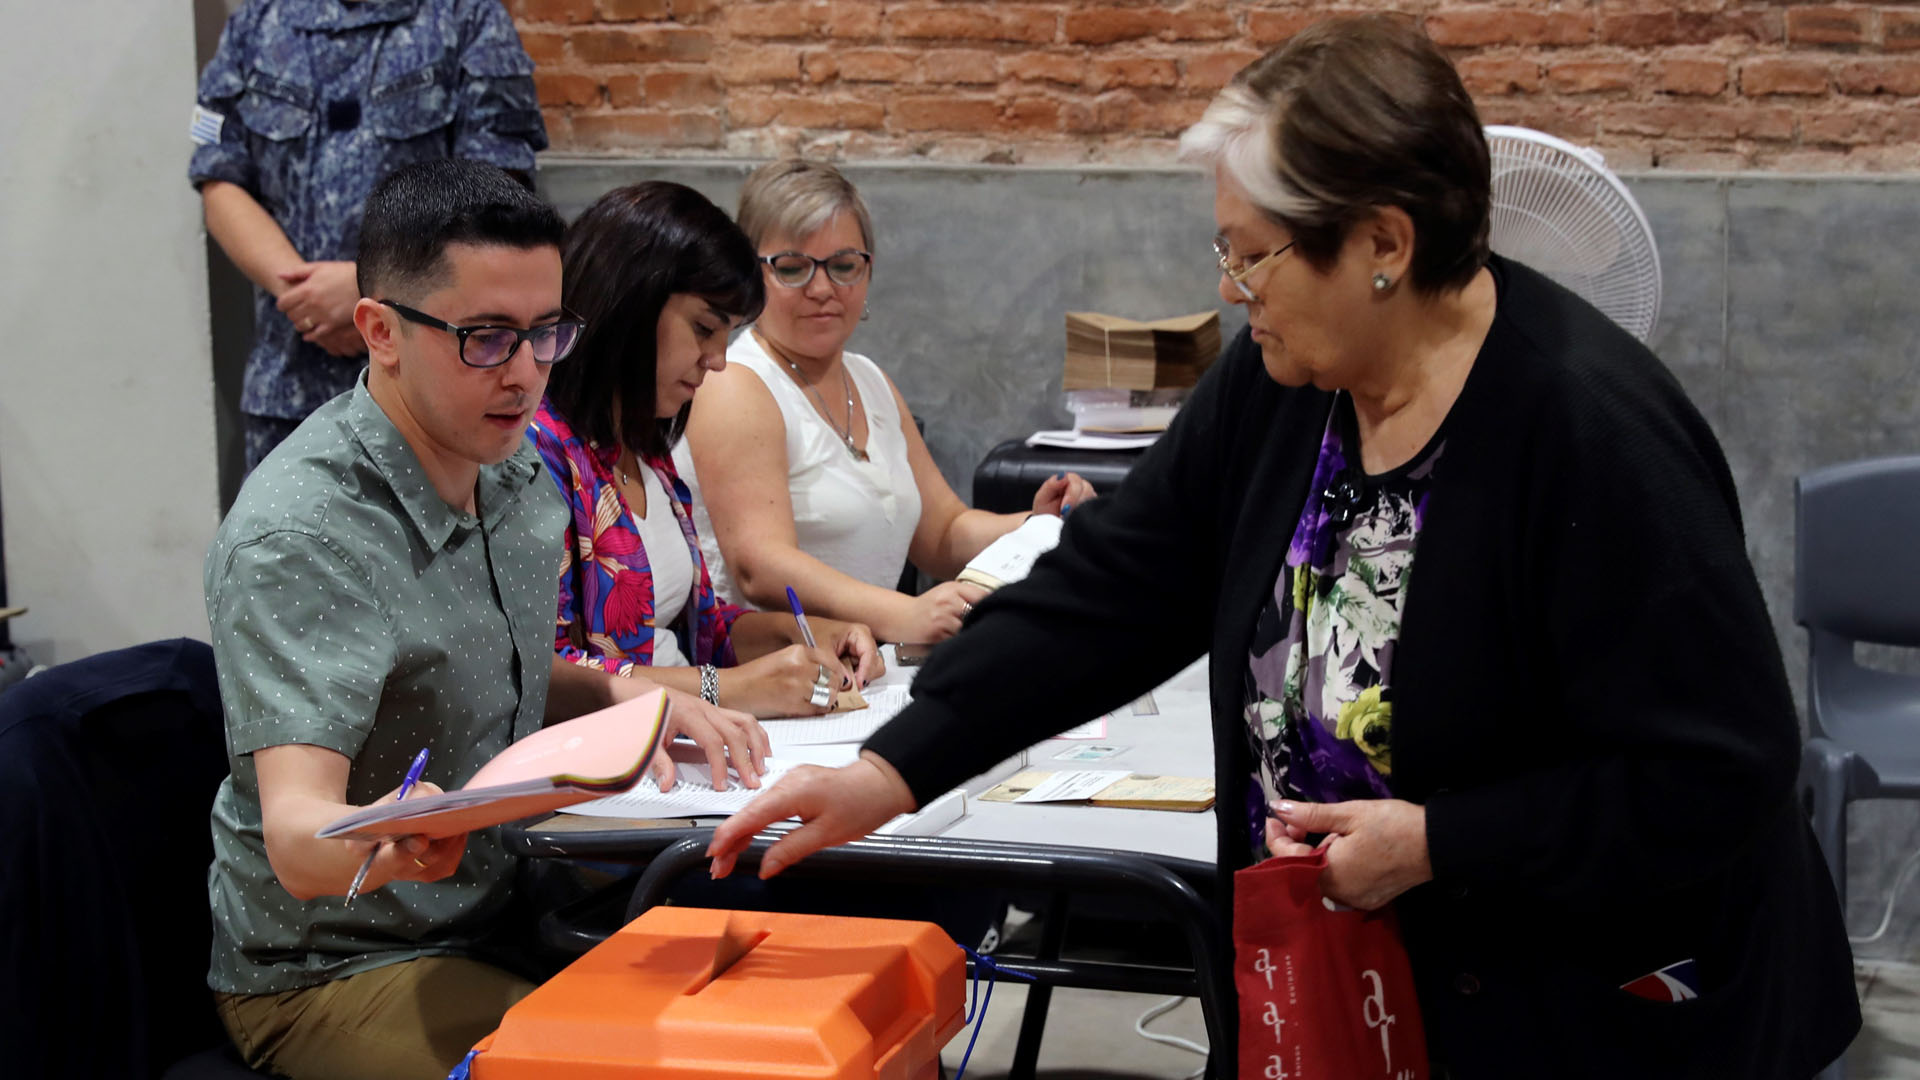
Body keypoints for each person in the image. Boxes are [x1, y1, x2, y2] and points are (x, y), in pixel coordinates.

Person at [711, 16, 1859, 1079]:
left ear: (1384, 244)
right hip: (1357, 986)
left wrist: (1442, 841)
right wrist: (890, 770)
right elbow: (1117, 587)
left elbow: (1720, 770)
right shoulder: (1286, 388)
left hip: (1595, 1011)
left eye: (1255, 256)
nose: (1231, 290)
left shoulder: (1587, 430)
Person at [202, 159, 764, 1080]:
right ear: (379, 331)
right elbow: (300, 838)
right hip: (335, 965)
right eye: (486, 338)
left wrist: (632, 696)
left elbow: (486, 670)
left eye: (547, 334)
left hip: (498, 913)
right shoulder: (304, 534)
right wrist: (388, 832)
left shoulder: (508, 476)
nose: (526, 374)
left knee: (763, 1006)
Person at [675, 160, 1097, 644]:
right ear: (751, 276)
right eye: (792, 268)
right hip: (768, 672)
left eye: (844, 266)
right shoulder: (737, 383)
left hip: (863, 667)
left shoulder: (868, 379)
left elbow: (942, 533)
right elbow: (760, 566)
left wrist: (1033, 525)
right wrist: (904, 612)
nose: (822, 289)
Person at [530, 181, 883, 719]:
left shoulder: (646, 445)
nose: (717, 360)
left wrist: (801, 635)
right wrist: (728, 689)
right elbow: (544, 675)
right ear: (631, 306)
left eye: (726, 334)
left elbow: (701, 630)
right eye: (702, 329)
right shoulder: (539, 452)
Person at [191, 0, 547, 471]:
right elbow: (219, 180)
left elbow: (496, 196)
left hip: (434, 391)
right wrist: (302, 295)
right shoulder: (258, 23)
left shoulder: (466, 17)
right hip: (291, 384)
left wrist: (365, 289)